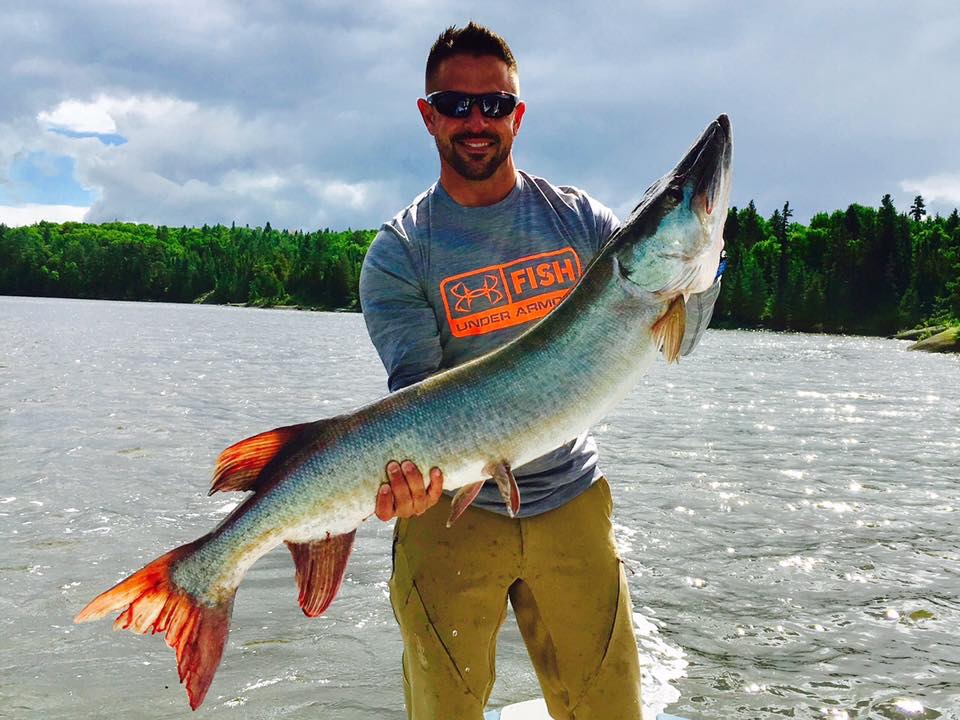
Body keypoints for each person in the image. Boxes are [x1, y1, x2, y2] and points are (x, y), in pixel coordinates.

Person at [358, 22, 720, 720]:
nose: (475, 121)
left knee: (609, 710)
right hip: (452, 518)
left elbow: (677, 340)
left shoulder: (582, 222)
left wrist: (702, 276)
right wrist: (408, 478)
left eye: (494, 105)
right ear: (428, 114)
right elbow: (416, 397)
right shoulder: (401, 253)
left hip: (571, 499)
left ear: (517, 115)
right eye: (455, 104)